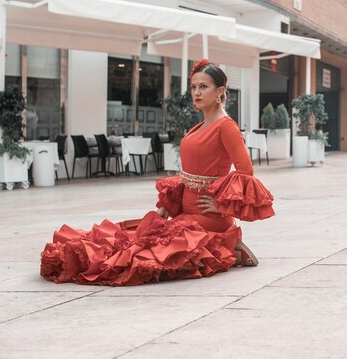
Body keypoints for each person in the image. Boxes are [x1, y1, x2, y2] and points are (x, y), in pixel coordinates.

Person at [40, 59, 275, 286]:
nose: (196, 92)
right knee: (137, 236)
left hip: (210, 217)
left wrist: (221, 206)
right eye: (193, 87)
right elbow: (189, 174)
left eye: (203, 87)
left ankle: (224, 241)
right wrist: (168, 206)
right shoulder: (200, 126)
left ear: (220, 91)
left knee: (147, 253)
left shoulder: (226, 127)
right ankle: (224, 244)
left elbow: (246, 171)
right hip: (185, 212)